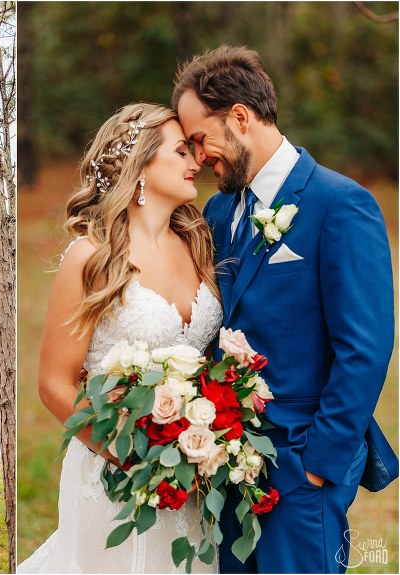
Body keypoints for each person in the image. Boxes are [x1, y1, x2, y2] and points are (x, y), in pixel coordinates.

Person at [171, 45, 398, 573]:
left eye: (201, 139)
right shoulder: (218, 209)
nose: (200, 157)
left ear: (241, 118)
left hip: (301, 471)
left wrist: (318, 466)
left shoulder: (341, 204)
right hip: (225, 462)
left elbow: (365, 349)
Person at [18, 103, 223, 574]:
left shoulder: (198, 243)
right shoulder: (91, 257)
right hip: (113, 473)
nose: (196, 162)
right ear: (141, 168)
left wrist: (197, 450)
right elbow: (54, 385)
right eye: (180, 151)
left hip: (193, 473)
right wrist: (137, 458)